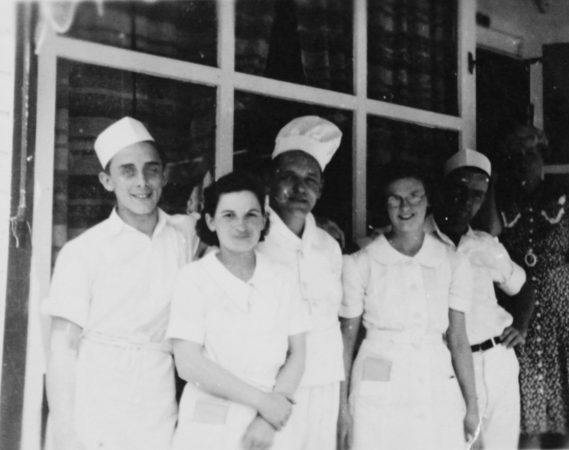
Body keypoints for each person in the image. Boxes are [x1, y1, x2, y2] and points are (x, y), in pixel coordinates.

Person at [43, 117, 197, 449]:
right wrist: (66, 433)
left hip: (157, 392)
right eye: (127, 171)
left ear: (164, 175)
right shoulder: (83, 252)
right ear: (107, 180)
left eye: (151, 170)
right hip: (96, 396)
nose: (142, 182)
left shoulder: (184, 235)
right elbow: (61, 349)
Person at [338, 164, 480, 450]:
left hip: (434, 378)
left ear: (428, 201)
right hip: (377, 379)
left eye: (415, 196)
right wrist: (341, 408)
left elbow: (458, 339)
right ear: (385, 205)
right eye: (395, 198)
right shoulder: (360, 263)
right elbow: (346, 341)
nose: (405, 206)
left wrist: (472, 406)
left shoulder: (452, 262)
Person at [167, 172, 309, 450]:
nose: (241, 226)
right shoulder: (194, 278)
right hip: (210, 420)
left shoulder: (283, 277)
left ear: (264, 219)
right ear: (210, 221)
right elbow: (188, 364)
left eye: (251, 215)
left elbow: (298, 353)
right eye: (229, 215)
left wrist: (268, 418)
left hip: (269, 425)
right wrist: (263, 403)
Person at [488, 125, 569, 447]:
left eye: (531, 154)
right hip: (522, 303)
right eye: (516, 156)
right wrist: (494, 184)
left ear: (542, 157)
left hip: (564, 300)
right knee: (527, 394)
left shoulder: (566, 194)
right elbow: (493, 229)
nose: (524, 162)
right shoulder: (507, 198)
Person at [428, 148, 534, 449]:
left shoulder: (486, 245)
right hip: (452, 365)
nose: (467, 200)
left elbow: (524, 287)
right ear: (443, 189)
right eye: (459, 190)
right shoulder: (419, 240)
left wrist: (522, 327)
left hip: (498, 359)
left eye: (477, 194)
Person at [257, 116, 345, 450]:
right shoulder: (253, 236)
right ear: (270, 180)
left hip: (324, 383)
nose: (300, 188)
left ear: (320, 189)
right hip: (272, 386)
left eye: (311, 179)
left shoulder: (329, 244)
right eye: (289, 177)